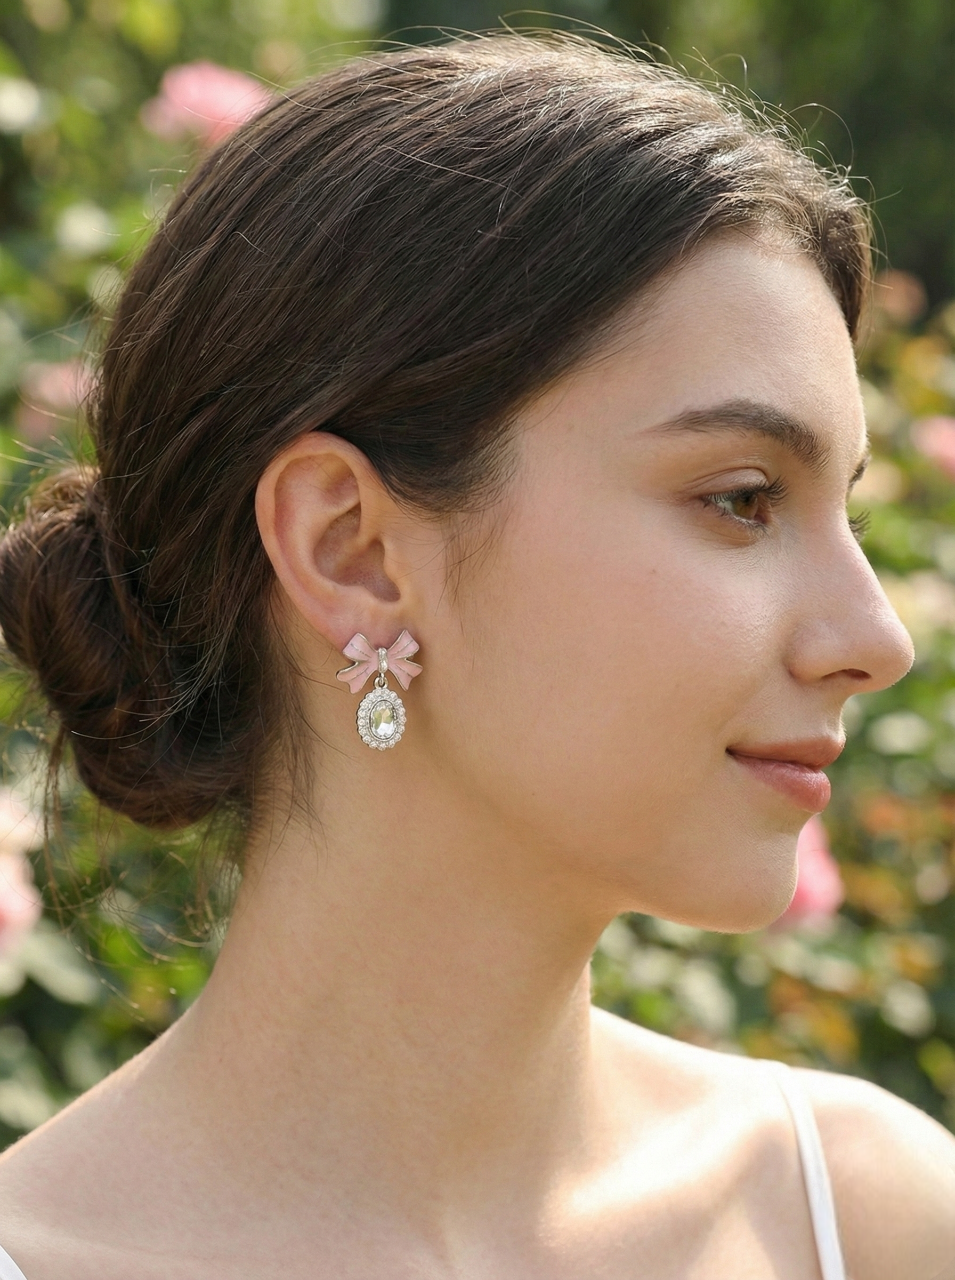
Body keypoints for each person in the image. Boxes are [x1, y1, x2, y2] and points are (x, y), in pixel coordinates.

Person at [0, 33, 952, 1280]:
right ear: (351, 550)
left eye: (854, 515)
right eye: (740, 497)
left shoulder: (873, 1219)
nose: (874, 641)